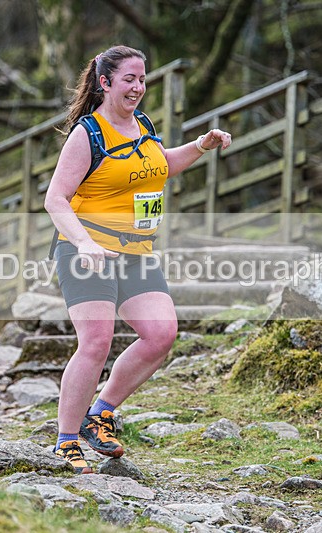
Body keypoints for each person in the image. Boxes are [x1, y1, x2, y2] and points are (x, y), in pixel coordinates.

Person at [44, 45, 232, 474]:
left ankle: (101, 414)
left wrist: (200, 146)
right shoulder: (88, 134)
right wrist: (85, 243)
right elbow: (55, 198)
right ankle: (66, 440)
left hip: (135, 253)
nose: (138, 87)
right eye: (129, 79)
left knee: (162, 332)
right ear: (105, 83)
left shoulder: (143, 125)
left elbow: (161, 166)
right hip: (86, 252)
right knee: (95, 342)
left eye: (143, 79)